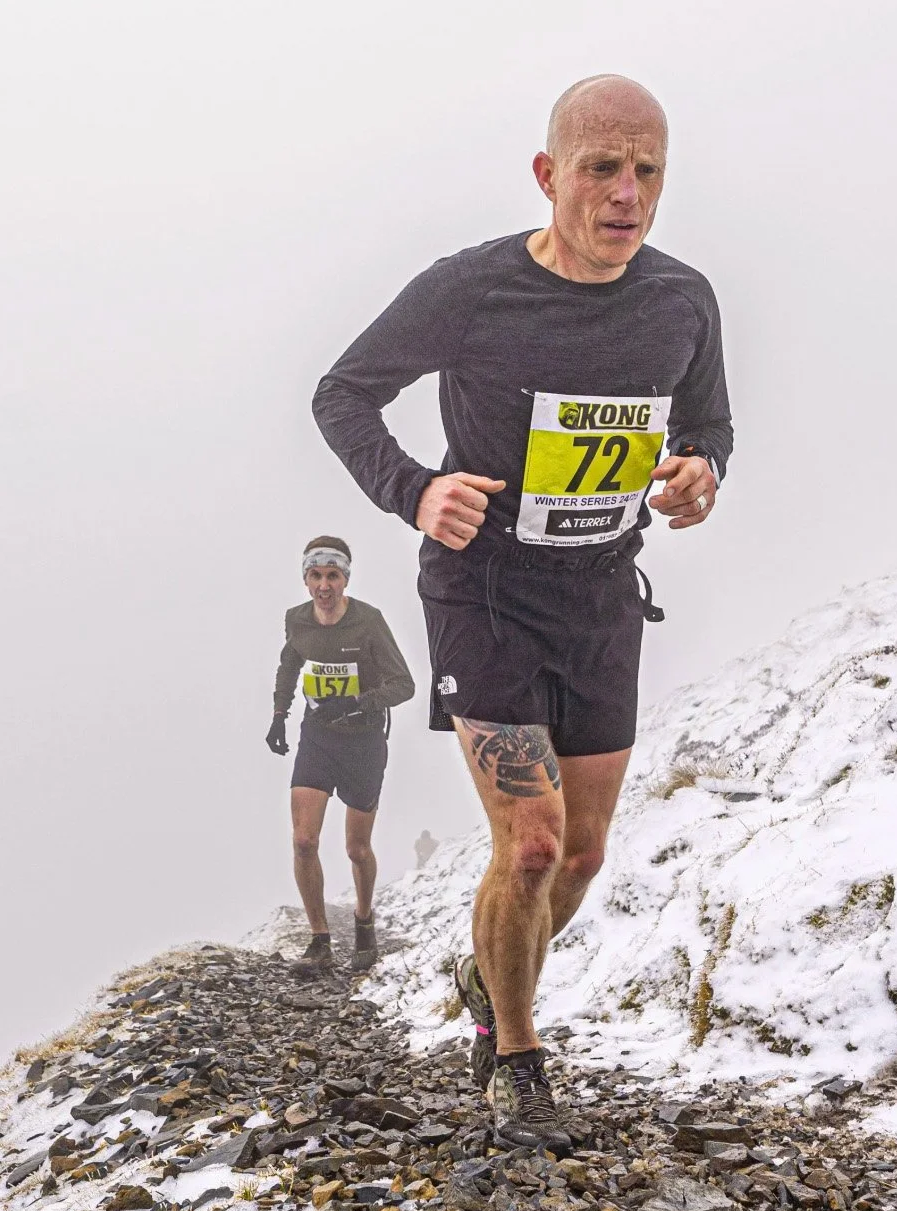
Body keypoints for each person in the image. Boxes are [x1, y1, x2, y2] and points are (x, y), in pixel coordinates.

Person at [312, 76, 733, 1150]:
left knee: (582, 856)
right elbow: (342, 392)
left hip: (600, 597)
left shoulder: (682, 301)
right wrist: (415, 490)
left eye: (647, 171)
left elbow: (709, 429)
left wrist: (697, 475)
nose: (625, 193)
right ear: (549, 176)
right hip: (483, 597)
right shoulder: (472, 291)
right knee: (534, 841)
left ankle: (485, 970)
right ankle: (514, 1052)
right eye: (601, 167)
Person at [267, 536, 415, 978]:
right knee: (304, 841)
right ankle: (320, 940)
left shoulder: (368, 622)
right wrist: (279, 715)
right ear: (305, 579)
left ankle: (364, 920)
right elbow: (289, 664)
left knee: (356, 848)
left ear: (345, 578)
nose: (324, 585)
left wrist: (356, 704)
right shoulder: (297, 620)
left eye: (333, 575)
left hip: (364, 741)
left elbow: (403, 684)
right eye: (316, 575)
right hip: (318, 738)